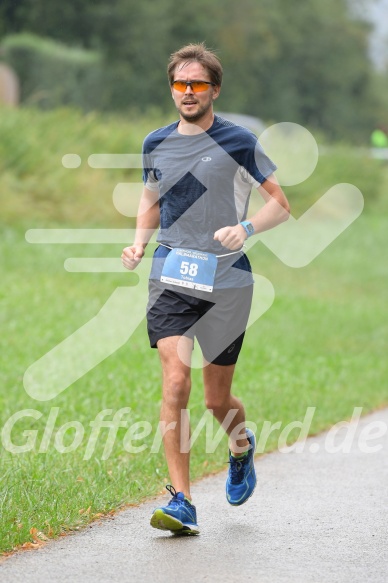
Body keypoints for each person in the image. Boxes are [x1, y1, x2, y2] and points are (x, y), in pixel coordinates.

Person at [121, 43, 290, 535]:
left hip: (228, 278)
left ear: (214, 89)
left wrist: (248, 229)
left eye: (197, 84)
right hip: (171, 272)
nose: (188, 92)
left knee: (218, 401)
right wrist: (137, 245)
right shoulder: (156, 142)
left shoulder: (239, 141)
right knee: (175, 383)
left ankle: (240, 446)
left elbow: (279, 203)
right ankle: (182, 502)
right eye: (180, 83)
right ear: (171, 88)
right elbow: (150, 200)